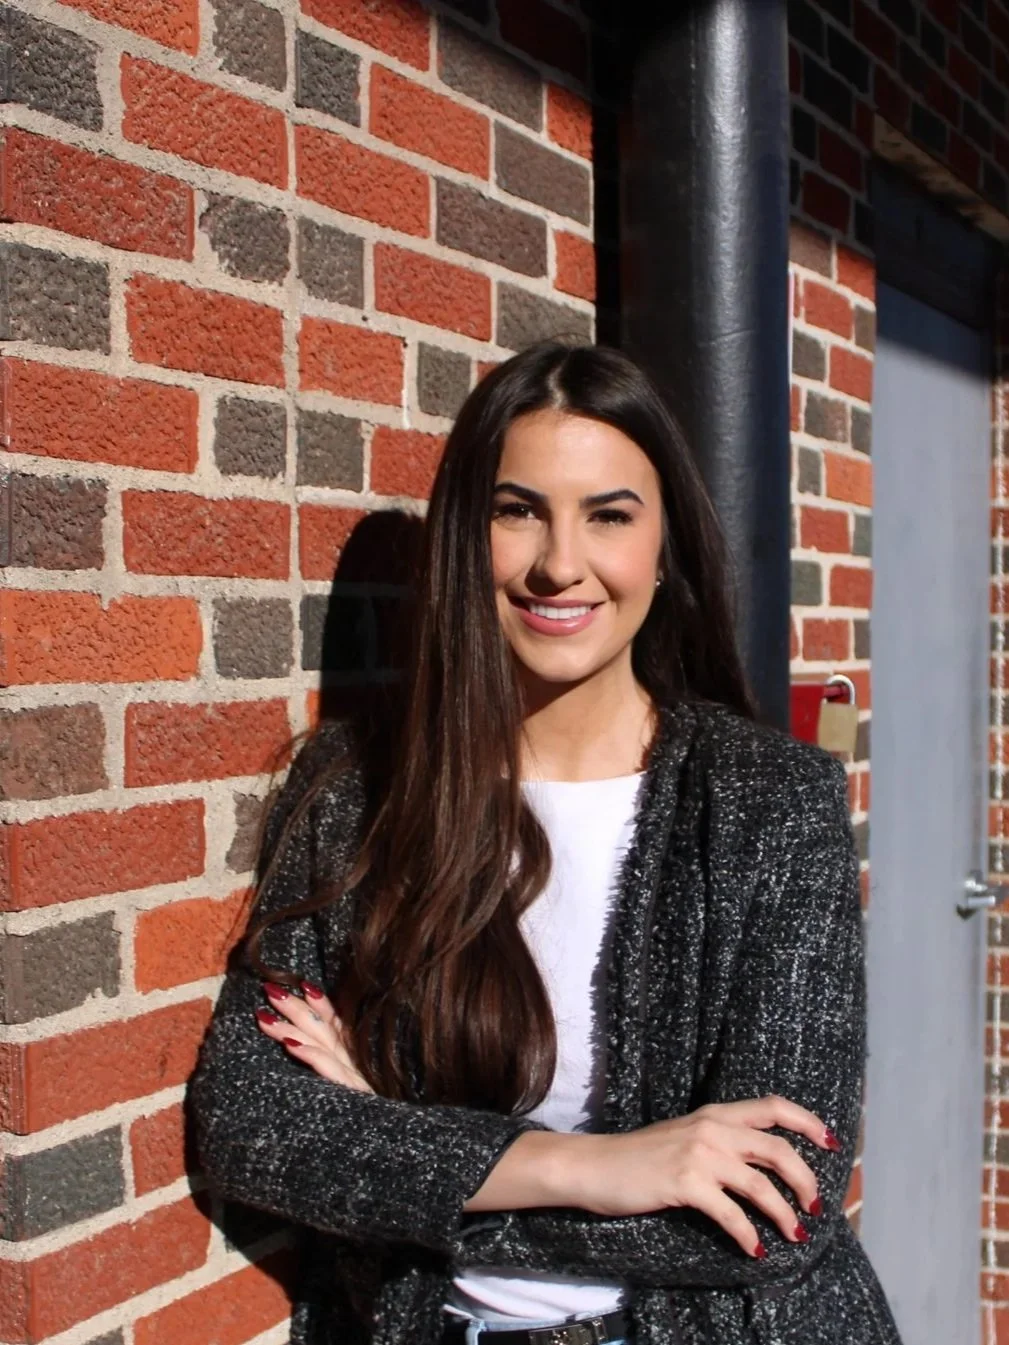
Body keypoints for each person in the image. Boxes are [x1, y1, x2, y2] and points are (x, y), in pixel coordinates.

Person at [190, 341, 902, 1345]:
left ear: (664, 547)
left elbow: (779, 1210)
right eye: (517, 510)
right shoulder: (356, 790)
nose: (558, 562)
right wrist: (600, 1165)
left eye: (608, 515)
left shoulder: (768, 805)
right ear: (462, 534)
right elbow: (247, 1123)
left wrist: (395, 1152)